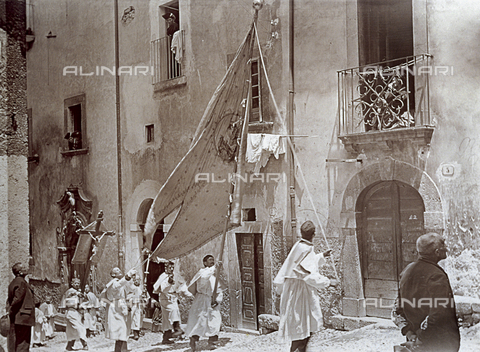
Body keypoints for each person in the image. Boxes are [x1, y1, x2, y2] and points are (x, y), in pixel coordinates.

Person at [273, 220, 336, 352]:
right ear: (314, 234)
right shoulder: (306, 248)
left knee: (302, 329)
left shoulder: (299, 245)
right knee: (302, 329)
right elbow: (309, 275)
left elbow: (304, 264)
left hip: (293, 289)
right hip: (300, 293)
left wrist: (322, 256)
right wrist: (329, 282)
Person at [393, 233, 460, 352]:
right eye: (443, 244)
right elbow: (438, 313)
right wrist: (421, 338)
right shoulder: (437, 275)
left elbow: (398, 307)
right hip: (437, 342)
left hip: (416, 340)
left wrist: (409, 333)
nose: (446, 247)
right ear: (437, 252)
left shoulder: (407, 271)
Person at [185, 255, 223, 352]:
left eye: (213, 260)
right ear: (205, 262)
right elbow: (205, 277)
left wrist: (217, 300)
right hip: (201, 300)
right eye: (210, 260)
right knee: (199, 321)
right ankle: (193, 341)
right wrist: (215, 267)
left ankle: (211, 342)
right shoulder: (202, 272)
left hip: (211, 300)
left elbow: (218, 289)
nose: (212, 261)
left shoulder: (214, 276)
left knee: (215, 320)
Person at [101, 267, 136, 352]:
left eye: (119, 270)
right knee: (121, 330)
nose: (119, 270)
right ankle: (120, 350)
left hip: (120, 307)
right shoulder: (113, 283)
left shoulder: (120, 283)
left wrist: (132, 278)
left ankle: (121, 349)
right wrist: (128, 275)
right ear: (113, 275)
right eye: (116, 270)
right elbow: (119, 284)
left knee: (122, 330)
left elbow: (130, 289)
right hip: (115, 308)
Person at [153, 261, 186, 344]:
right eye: (169, 267)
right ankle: (177, 328)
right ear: (165, 268)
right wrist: (169, 282)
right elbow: (163, 289)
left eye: (172, 267)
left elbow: (179, 285)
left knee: (166, 319)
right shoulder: (163, 276)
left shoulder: (174, 275)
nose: (171, 269)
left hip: (173, 298)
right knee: (174, 310)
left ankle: (166, 338)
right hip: (165, 298)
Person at [7, 262, 35, 352]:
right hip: (23, 317)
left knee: (20, 342)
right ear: (20, 272)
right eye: (23, 268)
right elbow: (17, 299)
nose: (26, 268)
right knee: (23, 343)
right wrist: (11, 311)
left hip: (21, 317)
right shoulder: (21, 282)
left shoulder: (17, 281)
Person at [59, 278, 88, 351]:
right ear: (72, 284)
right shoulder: (70, 291)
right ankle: (84, 344)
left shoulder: (78, 292)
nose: (77, 284)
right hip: (71, 312)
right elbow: (69, 294)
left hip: (77, 312)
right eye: (75, 283)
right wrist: (76, 293)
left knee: (71, 330)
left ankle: (69, 346)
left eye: (78, 283)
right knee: (79, 328)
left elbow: (81, 301)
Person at [126, 277, 143, 341]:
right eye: (136, 280)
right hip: (132, 304)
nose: (137, 281)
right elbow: (128, 296)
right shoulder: (131, 287)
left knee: (137, 319)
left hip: (138, 305)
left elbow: (144, 296)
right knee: (130, 318)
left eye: (138, 280)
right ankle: (127, 332)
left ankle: (136, 333)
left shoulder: (141, 288)